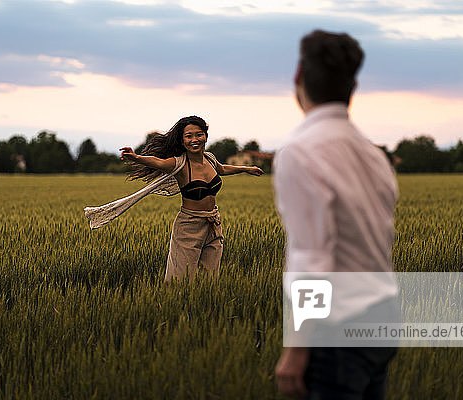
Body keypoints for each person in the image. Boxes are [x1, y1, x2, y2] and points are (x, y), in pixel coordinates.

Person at [273, 30, 399, 399]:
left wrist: (296, 350)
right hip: (383, 315)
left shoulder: (301, 150)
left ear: (298, 76)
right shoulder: (372, 154)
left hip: (338, 328)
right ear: (352, 86)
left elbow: (313, 259)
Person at [120, 116, 264, 281]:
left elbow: (222, 169)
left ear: (205, 136)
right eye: (189, 136)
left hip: (213, 224)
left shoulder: (209, 158)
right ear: (182, 141)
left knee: (209, 279)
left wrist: (246, 169)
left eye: (199, 134)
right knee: (180, 280)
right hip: (189, 226)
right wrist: (136, 157)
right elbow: (158, 163)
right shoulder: (179, 164)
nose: (194, 140)